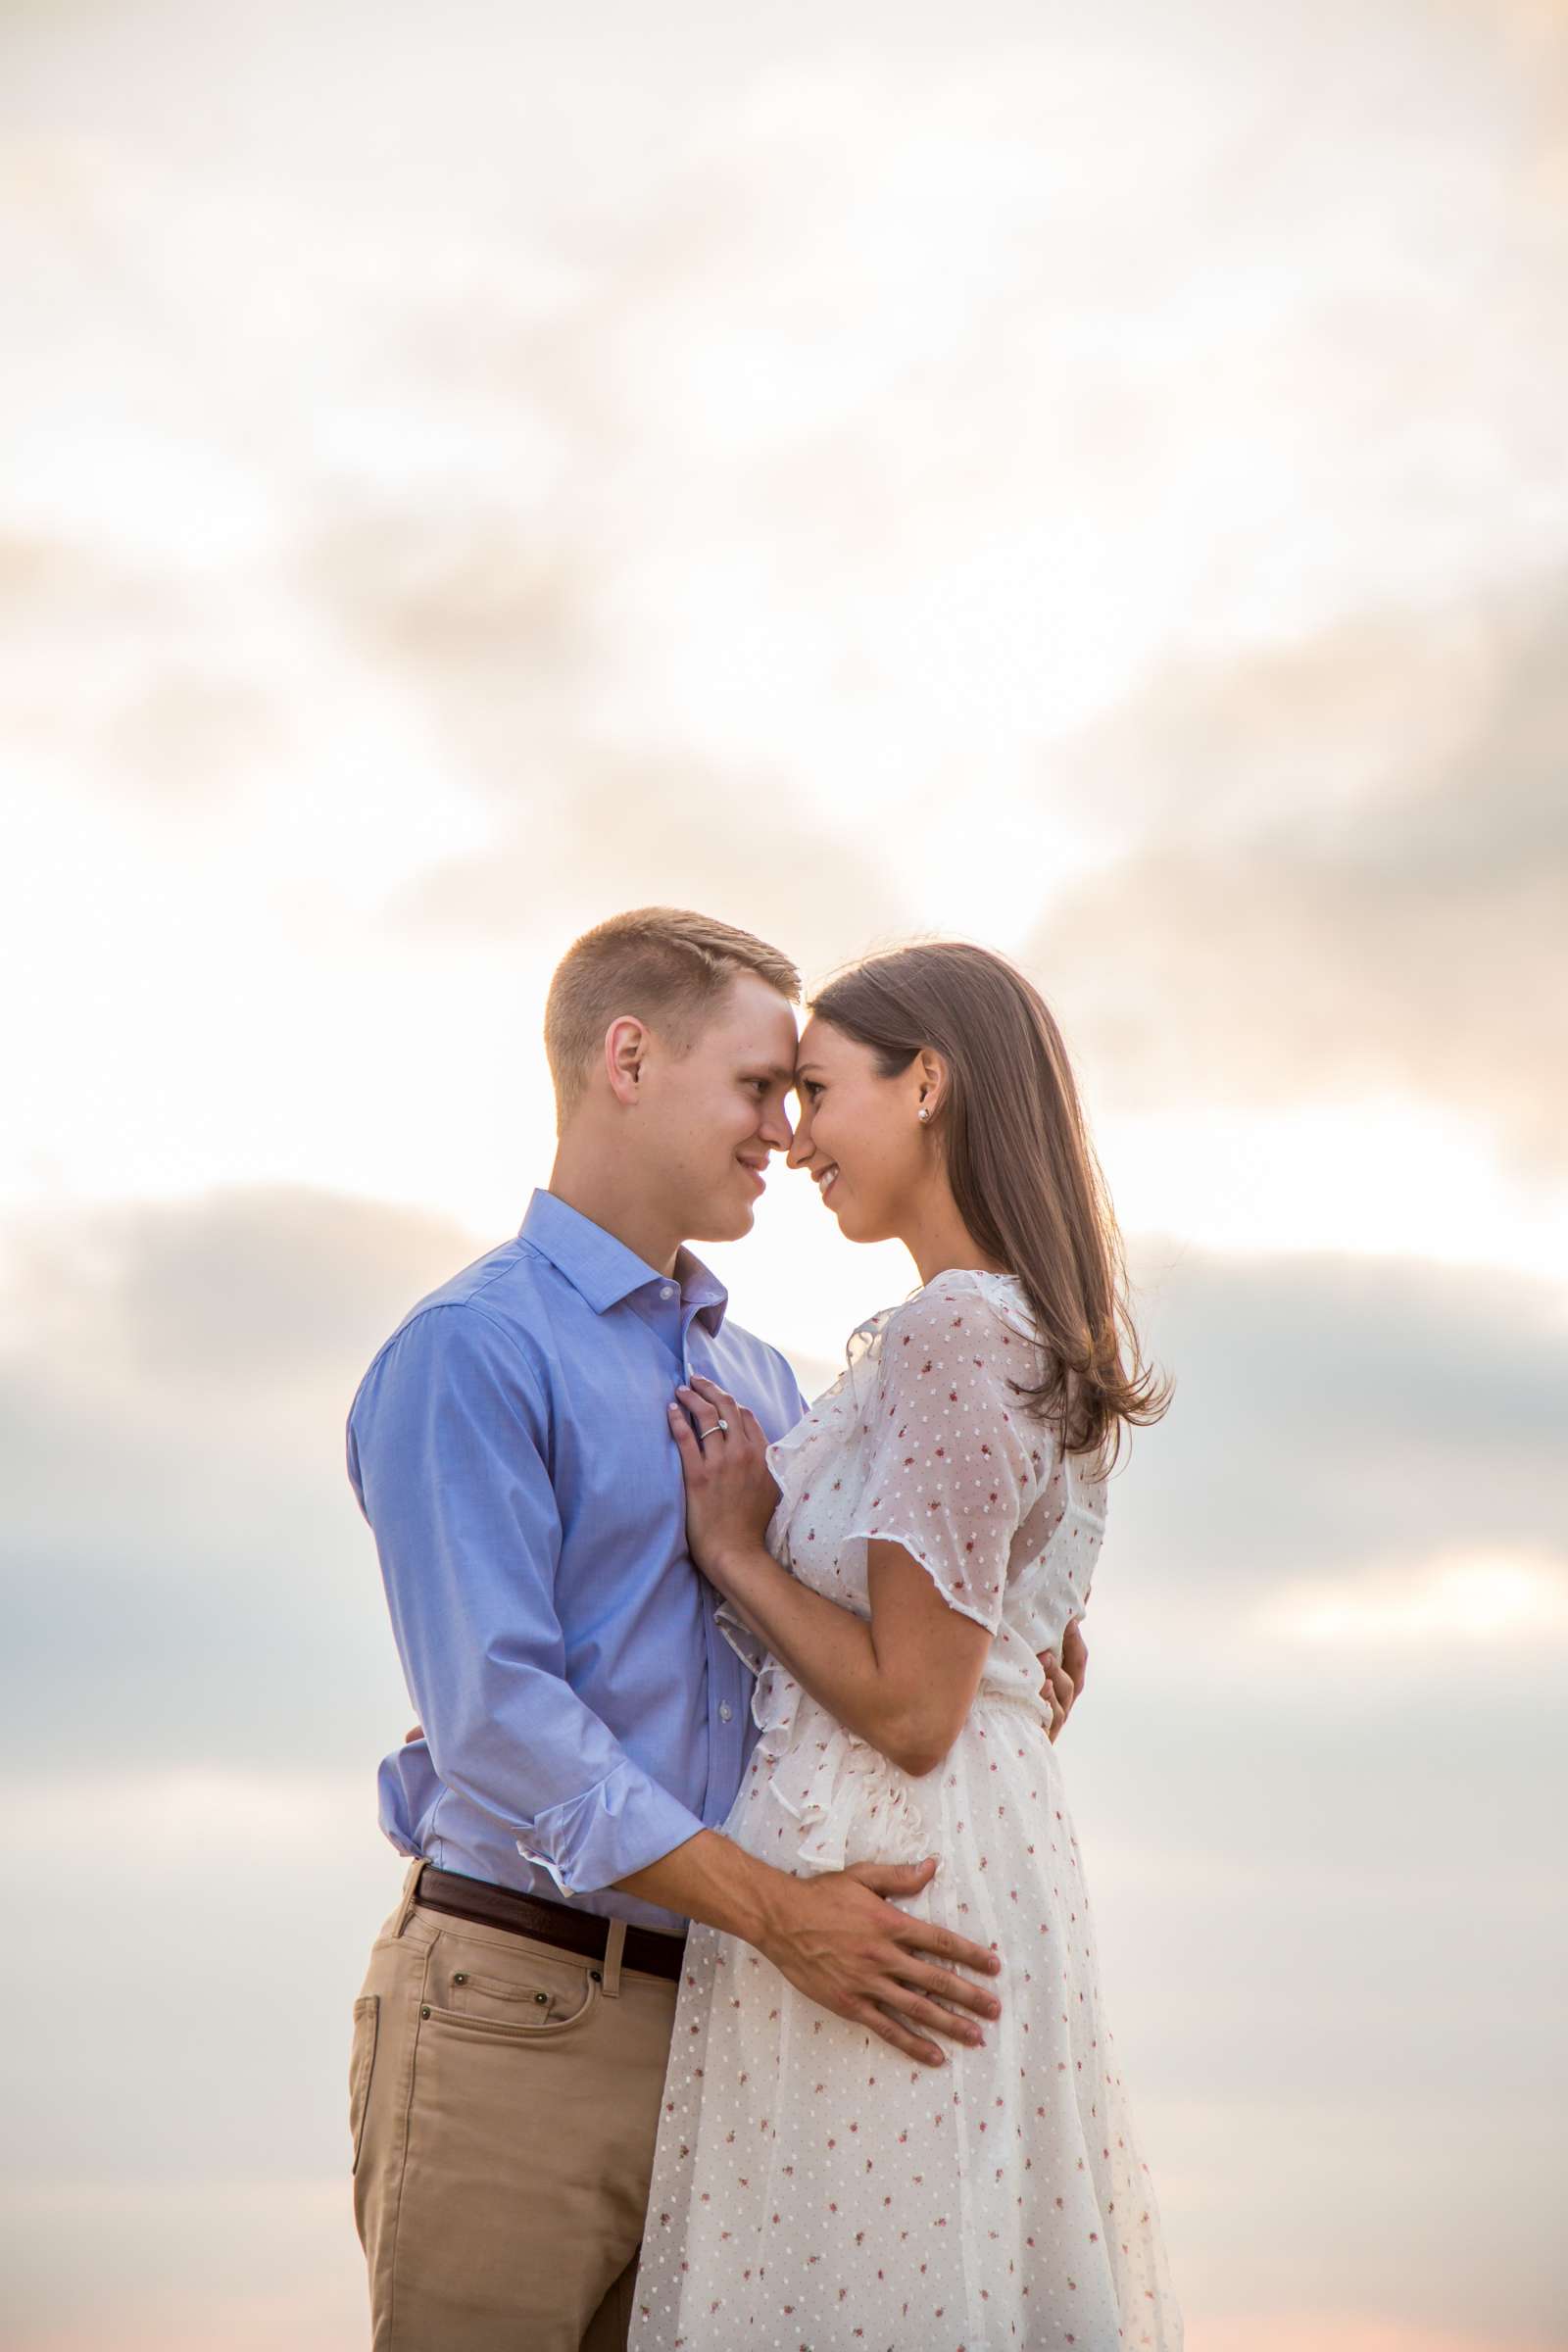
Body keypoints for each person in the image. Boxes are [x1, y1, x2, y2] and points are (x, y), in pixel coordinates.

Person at [344, 908, 1086, 2352]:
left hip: (747, 2043)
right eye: (760, 1087)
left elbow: (853, 1666)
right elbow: (498, 1720)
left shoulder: (770, 1381)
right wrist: (780, 1911)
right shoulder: (472, 1350)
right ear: (629, 1057)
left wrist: (1007, 1661)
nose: (784, 1131)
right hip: (523, 2011)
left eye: (803, 1094)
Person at [627, 940, 1184, 2350]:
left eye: (817, 1089)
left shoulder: (950, 1329)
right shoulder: (1031, 1329)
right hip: (980, 1855)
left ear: (927, 1081)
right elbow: (983, 1660)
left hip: (888, 1874)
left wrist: (739, 1548)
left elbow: (915, 1706)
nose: (796, 1137)